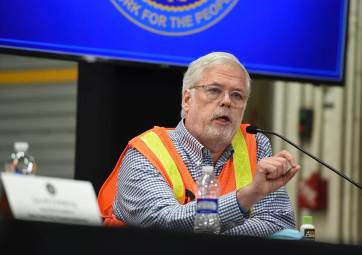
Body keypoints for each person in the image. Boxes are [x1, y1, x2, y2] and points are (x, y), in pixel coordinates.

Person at [98, 52, 300, 236]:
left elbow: (279, 221)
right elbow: (163, 223)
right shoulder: (145, 152)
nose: (227, 101)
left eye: (237, 95)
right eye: (214, 90)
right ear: (187, 100)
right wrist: (246, 197)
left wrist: (207, 233)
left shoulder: (255, 145)